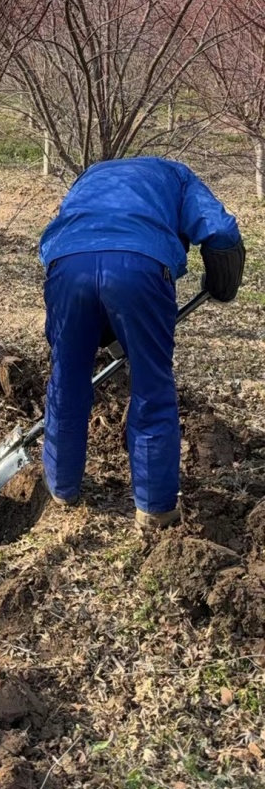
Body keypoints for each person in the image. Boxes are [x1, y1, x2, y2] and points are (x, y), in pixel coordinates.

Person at [39, 157, 245, 530]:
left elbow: (66, 226)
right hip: (140, 268)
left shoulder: (91, 175)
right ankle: (154, 507)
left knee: (67, 379)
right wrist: (223, 281)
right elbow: (221, 232)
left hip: (67, 267)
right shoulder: (178, 175)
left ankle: (62, 486)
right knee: (152, 385)